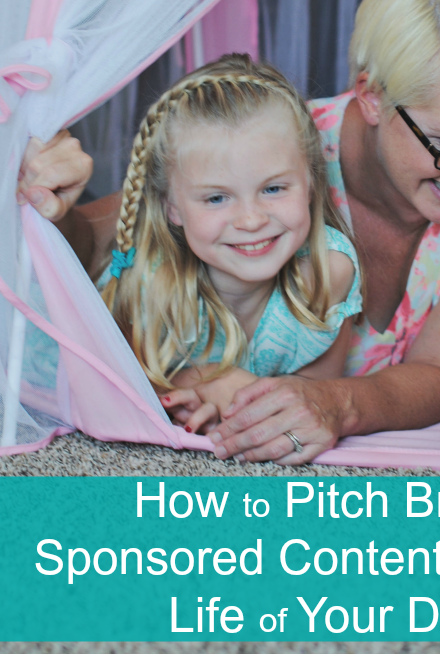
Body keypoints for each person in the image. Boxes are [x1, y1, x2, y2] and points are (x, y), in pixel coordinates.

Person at [17, 0, 440, 463]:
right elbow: (108, 240)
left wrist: (335, 403)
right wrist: (52, 203)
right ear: (371, 97)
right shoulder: (278, 152)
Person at [97, 56, 362, 443]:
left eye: (273, 188)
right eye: (217, 198)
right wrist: (198, 381)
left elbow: (316, 394)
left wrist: (241, 395)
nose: (251, 220)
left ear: (310, 181)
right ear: (172, 206)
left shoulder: (330, 271)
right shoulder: (147, 282)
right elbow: (107, 390)